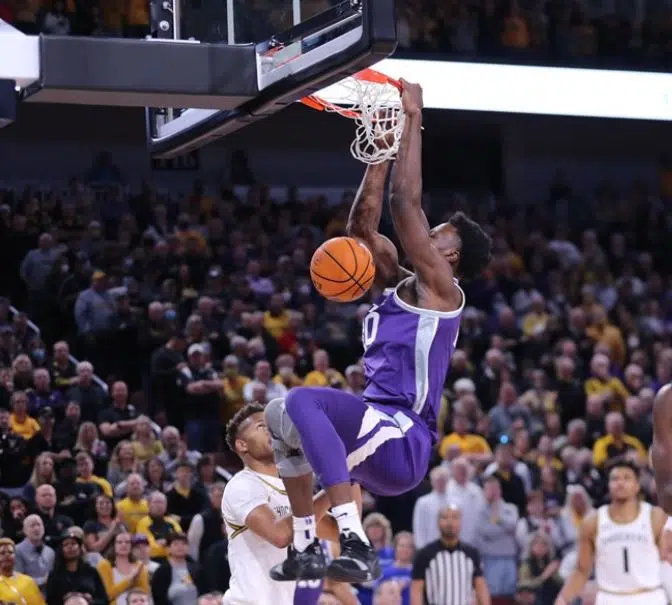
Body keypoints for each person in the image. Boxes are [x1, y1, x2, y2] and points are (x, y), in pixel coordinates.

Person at [264, 80, 492, 583]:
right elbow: (363, 231)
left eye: (437, 236)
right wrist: (381, 150)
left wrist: (412, 118)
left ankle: (353, 537)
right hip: (378, 433)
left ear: (449, 257)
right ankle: (306, 545)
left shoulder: (441, 290)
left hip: (403, 437)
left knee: (305, 400)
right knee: (280, 415)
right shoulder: (402, 282)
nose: (426, 234)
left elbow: (405, 206)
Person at [222, 403, 349, 605]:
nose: (272, 429)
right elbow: (280, 535)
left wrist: (350, 471)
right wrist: (333, 486)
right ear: (242, 445)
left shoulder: (292, 490)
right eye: (262, 426)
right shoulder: (241, 485)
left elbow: (341, 532)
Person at [555, 460, 668, 605]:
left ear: (637, 485)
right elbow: (582, 570)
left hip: (650, 597)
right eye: (615, 478)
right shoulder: (592, 522)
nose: (620, 483)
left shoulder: (656, 517)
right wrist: (563, 598)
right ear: (608, 485)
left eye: (626, 478)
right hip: (609, 598)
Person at [410, 505, 490, 605]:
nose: (450, 522)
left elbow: (480, 586)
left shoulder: (472, 553)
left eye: (454, 517)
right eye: (445, 517)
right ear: (438, 522)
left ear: (461, 522)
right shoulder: (424, 554)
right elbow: (416, 590)